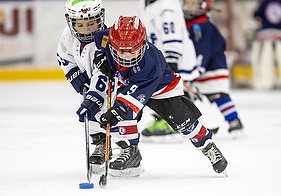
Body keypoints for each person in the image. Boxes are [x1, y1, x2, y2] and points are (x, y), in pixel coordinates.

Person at [77, 15, 228, 178]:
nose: (127, 57)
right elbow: (99, 42)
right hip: (129, 84)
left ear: (142, 44)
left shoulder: (150, 63)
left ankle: (208, 146)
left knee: (185, 122)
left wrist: (118, 109)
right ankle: (130, 152)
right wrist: (100, 55)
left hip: (160, 87)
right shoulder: (107, 37)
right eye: (121, 51)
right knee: (122, 114)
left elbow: (136, 93)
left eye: (132, 51)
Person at [56, 0, 113, 174]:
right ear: (72, 23)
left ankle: (127, 148)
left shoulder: (106, 40)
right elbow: (63, 56)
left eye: (91, 23)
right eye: (80, 25)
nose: (87, 29)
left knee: (113, 116)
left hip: (112, 86)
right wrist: (74, 75)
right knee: (91, 116)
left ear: (100, 18)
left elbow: (102, 74)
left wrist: (95, 95)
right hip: (89, 83)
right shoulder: (68, 35)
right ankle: (101, 144)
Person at [139, 0, 201, 139]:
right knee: (161, 92)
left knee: (173, 92)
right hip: (162, 59)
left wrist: (172, 59)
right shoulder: (151, 5)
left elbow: (171, 32)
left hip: (174, 57)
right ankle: (164, 120)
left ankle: (176, 122)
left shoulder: (166, 6)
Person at [183, 0, 244, 137]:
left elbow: (203, 50)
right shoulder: (194, 23)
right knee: (189, 95)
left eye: (194, 4)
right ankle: (190, 125)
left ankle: (234, 122)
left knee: (218, 95)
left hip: (211, 69)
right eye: (188, 3)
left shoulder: (201, 25)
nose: (189, 7)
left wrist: (197, 68)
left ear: (204, 7)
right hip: (206, 68)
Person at [251, 0, 281, 90]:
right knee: (271, 59)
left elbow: (256, 18)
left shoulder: (263, 3)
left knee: (265, 60)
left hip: (266, 35)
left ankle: (265, 83)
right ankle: (266, 83)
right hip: (277, 35)